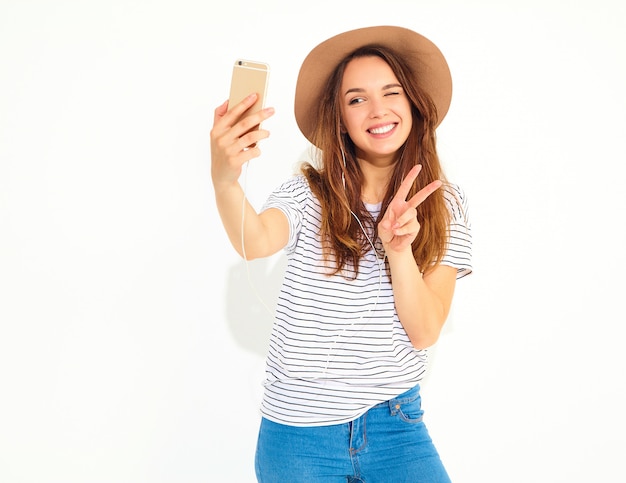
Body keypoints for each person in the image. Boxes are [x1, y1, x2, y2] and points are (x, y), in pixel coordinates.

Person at [210, 25, 472, 483]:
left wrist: (399, 250)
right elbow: (255, 240)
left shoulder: (444, 204)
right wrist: (225, 180)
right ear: (340, 119)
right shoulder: (306, 195)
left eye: (391, 92)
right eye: (356, 99)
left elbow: (425, 330)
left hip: (397, 425)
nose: (377, 110)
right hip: (298, 436)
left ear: (412, 102)